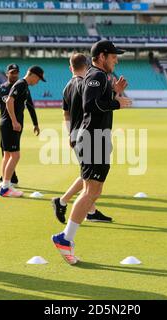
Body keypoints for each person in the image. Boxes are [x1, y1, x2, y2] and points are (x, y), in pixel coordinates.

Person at [52, 40, 132, 265]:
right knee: (90, 191)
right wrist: (118, 103)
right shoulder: (96, 76)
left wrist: (115, 93)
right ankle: (64, 239)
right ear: (102, 56)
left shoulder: (100, 77)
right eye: (114, 56)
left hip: (96, 138)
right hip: (92, 138)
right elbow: (91, 105)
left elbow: (98, 103)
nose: (116, 59)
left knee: (92, 191)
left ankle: (66, 237)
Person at [51, 53, 113, 224]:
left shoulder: (67, 87)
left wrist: (70, 135)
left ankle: (90, 210)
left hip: (77, 135)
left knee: (87, 175)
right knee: (89, 176)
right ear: (87, 66)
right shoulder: (84, 84)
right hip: (88, 135)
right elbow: (95, 106)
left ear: (71, 67)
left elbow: (66, 114)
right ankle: (63, 201)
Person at [0, 66, 44, 197]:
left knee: (7, 155)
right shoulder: (21, 85)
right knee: (15, 156)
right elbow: (9, 101)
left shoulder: (21, 85)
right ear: (33, 75)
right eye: (39, 79)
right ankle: (6, 187)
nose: (38, 82)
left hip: (6, 124)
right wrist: (14, 121)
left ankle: (4, 185)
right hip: (10, 125)